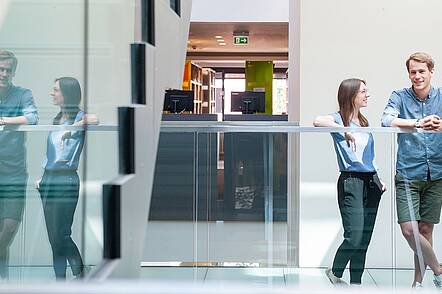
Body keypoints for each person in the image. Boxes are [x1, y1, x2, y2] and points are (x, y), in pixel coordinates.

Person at [313, 78, 386, 286]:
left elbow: (369, 155)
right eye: (363, 91)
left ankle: (356, 284)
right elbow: (317, 121)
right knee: (354, 235)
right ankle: (335, 272)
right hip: (351, 181)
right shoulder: (338, 119)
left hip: (371, 181)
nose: (367, 95)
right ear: (351, 95)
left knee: (364, 240)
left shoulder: (364, 122)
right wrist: (342, 129)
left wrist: (379, 179)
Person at [381, 52, 442, 288]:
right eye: (413, 72)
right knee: (409, 230)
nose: (417, 76)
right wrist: (418, 123)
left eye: (421, 71)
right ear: (409, 74)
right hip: (408, 172)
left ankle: (418, 282)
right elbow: (386, 119)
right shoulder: (400, 96)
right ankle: (438, 269)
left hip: (437, 173)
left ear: (431, 72)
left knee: (426, 230)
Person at [37, 77, 96, 280]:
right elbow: (51, 152)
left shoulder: (79, 116)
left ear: (67, 94)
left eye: (56, 90)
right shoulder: (56, 118)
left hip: (66, 180)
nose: (52, 93)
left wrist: (74, 127)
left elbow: (94, 119)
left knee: (62, 234)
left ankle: (80, 272)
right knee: (54, 237)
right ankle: (60, 281)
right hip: (48, 180)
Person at [0, 49, 38, 279]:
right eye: (1, 69)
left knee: (10, 228)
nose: (4, 73)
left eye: (8, 70)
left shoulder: (22, 94)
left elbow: (32, 118)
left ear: (14, 72)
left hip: (13, 173)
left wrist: (4, 120)